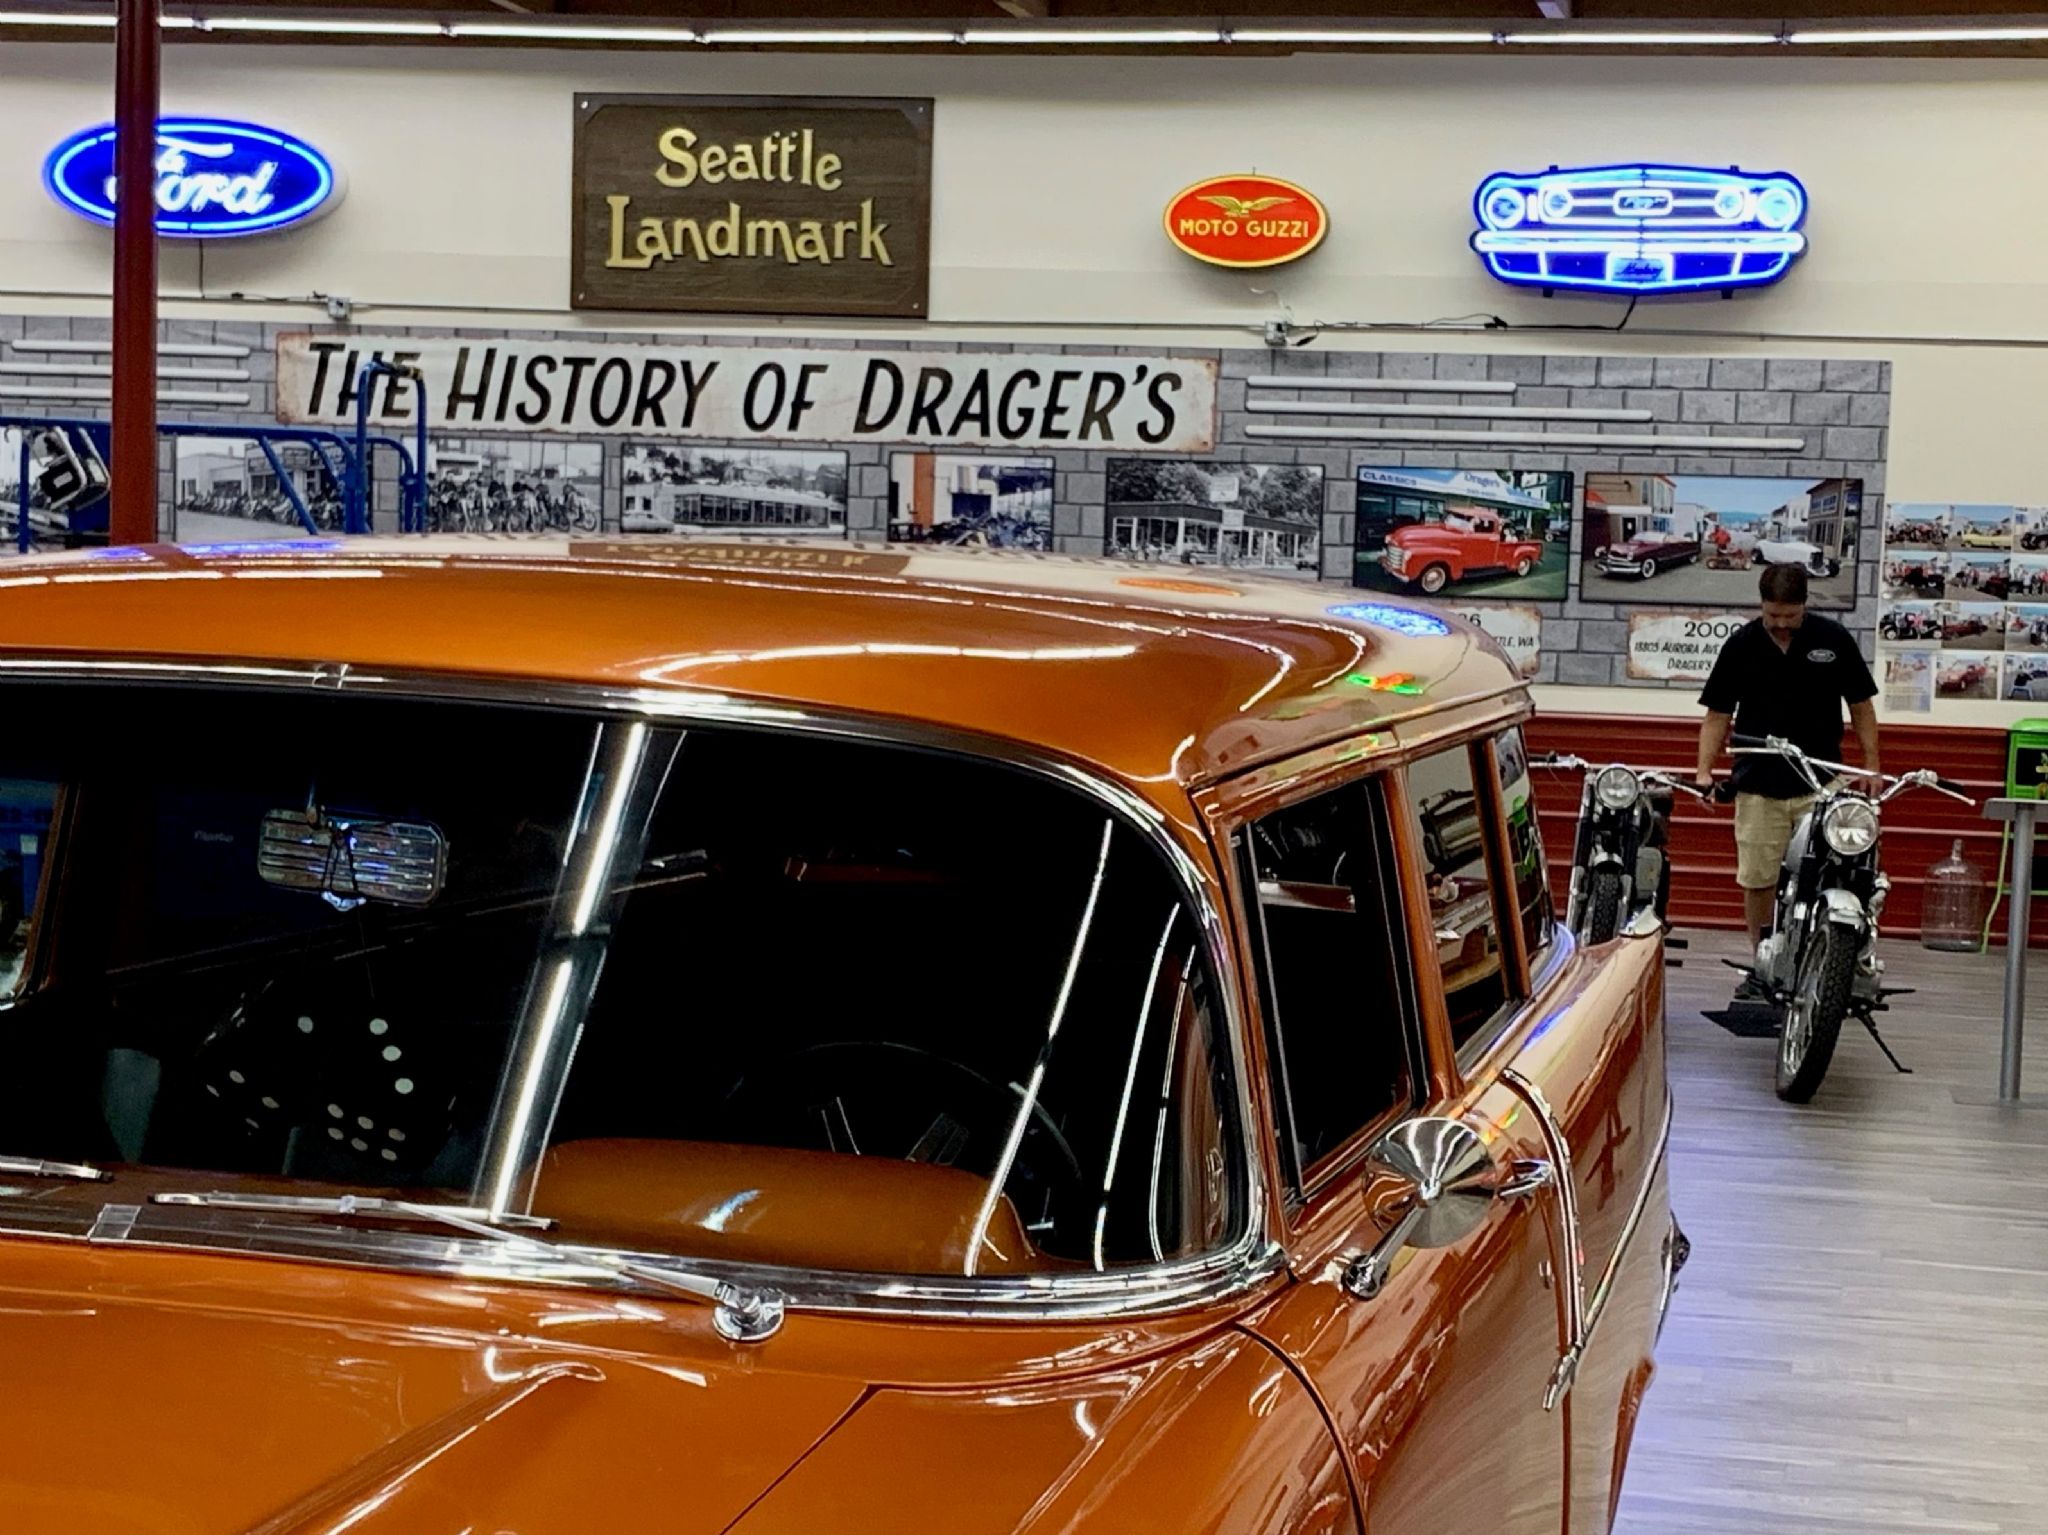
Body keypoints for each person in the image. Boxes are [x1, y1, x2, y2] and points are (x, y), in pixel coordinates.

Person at [1695, 563, 1880, 992]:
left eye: (1790, 616)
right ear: (1761, 605)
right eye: (1772, 615)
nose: (1780, 624)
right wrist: (1704, 770)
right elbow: (1717, 714)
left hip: (1821, 782)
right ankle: (1763, 962)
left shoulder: (1833, 639)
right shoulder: (1741, 644)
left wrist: (1872, 765)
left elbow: (1861, 706)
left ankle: (1841, 957)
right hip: (1758, 784)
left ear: (1804, 606)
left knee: (1845, 867)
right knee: (1758, 878)